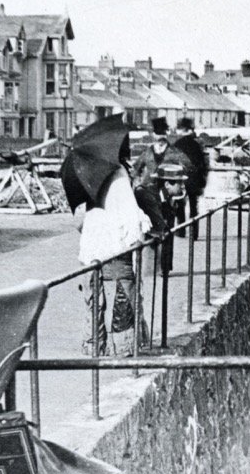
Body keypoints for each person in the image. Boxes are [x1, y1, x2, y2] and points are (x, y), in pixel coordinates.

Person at [78, 144, 148, 357]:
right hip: (115, 248)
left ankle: (94, 344)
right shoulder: (119, 175)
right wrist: (139, 237)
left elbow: (81, 218)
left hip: (91, 249)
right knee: (122, 300)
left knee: (94, 301)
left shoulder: (90, 174)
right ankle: (122, 347)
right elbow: (131, 217)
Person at [135, 163, 188, 276]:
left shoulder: (165, 195)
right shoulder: (147, 195)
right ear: (167, 184)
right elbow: (161, 225)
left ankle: (163, 267)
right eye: (179, 183)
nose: (182, 186)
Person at [173, 117, 209, 241]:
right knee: (194, 206)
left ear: (182, 129)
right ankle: (194, 233)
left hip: (181, 178)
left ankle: (181, 230)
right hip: (194, 179)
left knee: (180, 205)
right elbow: (203, 164)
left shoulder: (177, 144)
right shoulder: (197, 144)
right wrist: (202, 180)